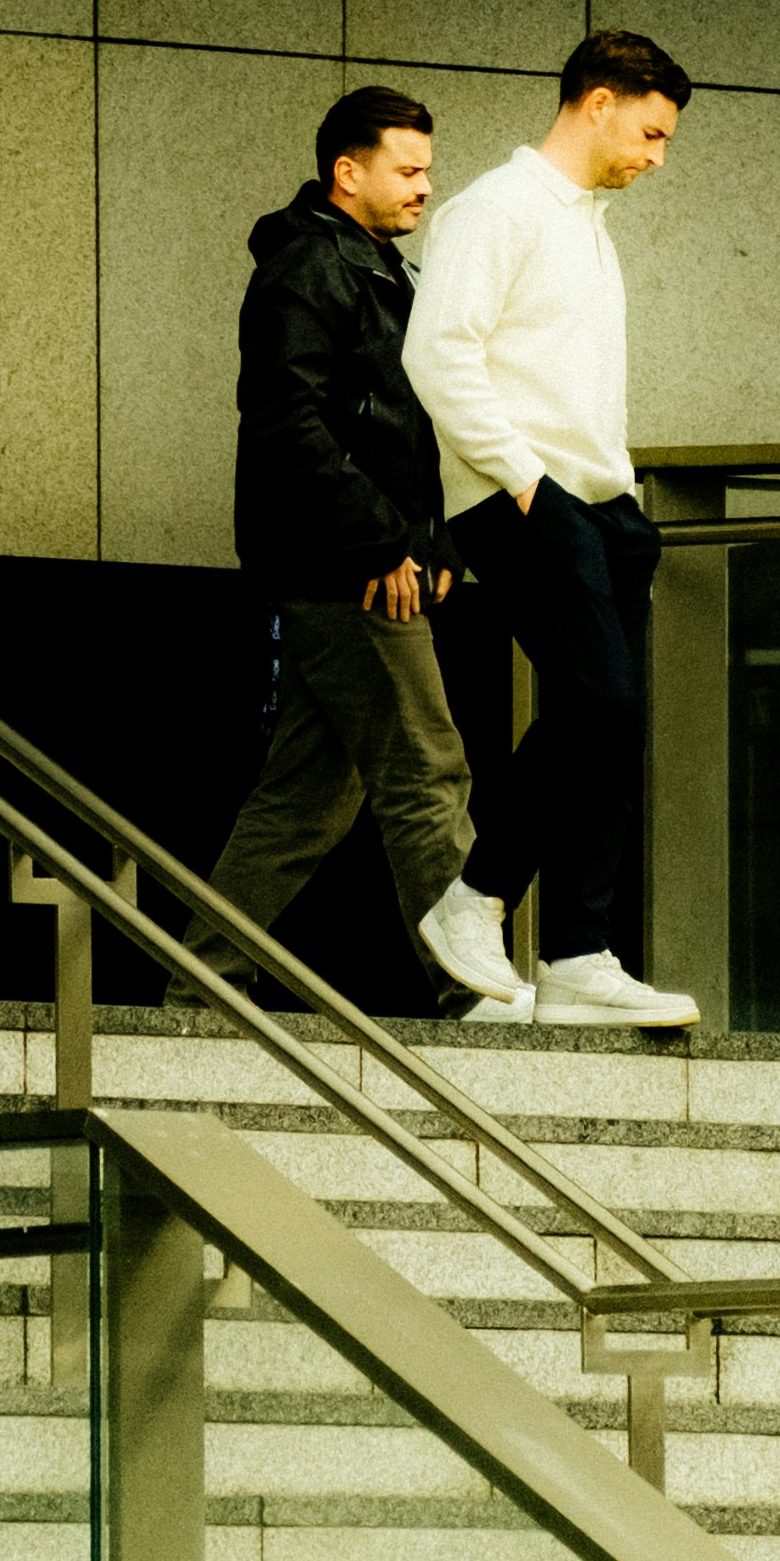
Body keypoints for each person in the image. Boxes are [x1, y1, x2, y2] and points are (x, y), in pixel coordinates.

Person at [205, 86, 530, 1007]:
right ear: (348, 172)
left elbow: (395, 430)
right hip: (352, 574)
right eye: (409, 168)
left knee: (304, 804)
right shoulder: (312, 268)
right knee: (428, 767)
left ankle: (200, 980)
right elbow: (286, 425)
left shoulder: (375, 269)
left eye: (429, 168)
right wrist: (385, 545)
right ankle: (474, 994)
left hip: (360, 566)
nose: (427, 186)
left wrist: (423, 547)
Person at [405, 27, 700, 1029]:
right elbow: (438, 356)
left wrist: (611, 505)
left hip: (599, 504)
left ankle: (578, 951)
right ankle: (472, 899)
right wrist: (533, 486)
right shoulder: (495, 208)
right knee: (597, 700)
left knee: (611, 728)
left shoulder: (584, 222)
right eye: (652, 133)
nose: (657, 158)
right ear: (599, 100)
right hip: (520, 496)